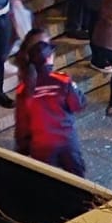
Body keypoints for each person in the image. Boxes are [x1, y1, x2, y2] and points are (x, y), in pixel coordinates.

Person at [14, 35, 87, 177]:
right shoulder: (62, 81)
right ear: (49, 58)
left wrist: (23, 148)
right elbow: (78, 105)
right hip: (66, 141)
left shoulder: (24, 89)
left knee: (45, 184)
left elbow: (22, 123)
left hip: (41, 146)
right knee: (80, 183)